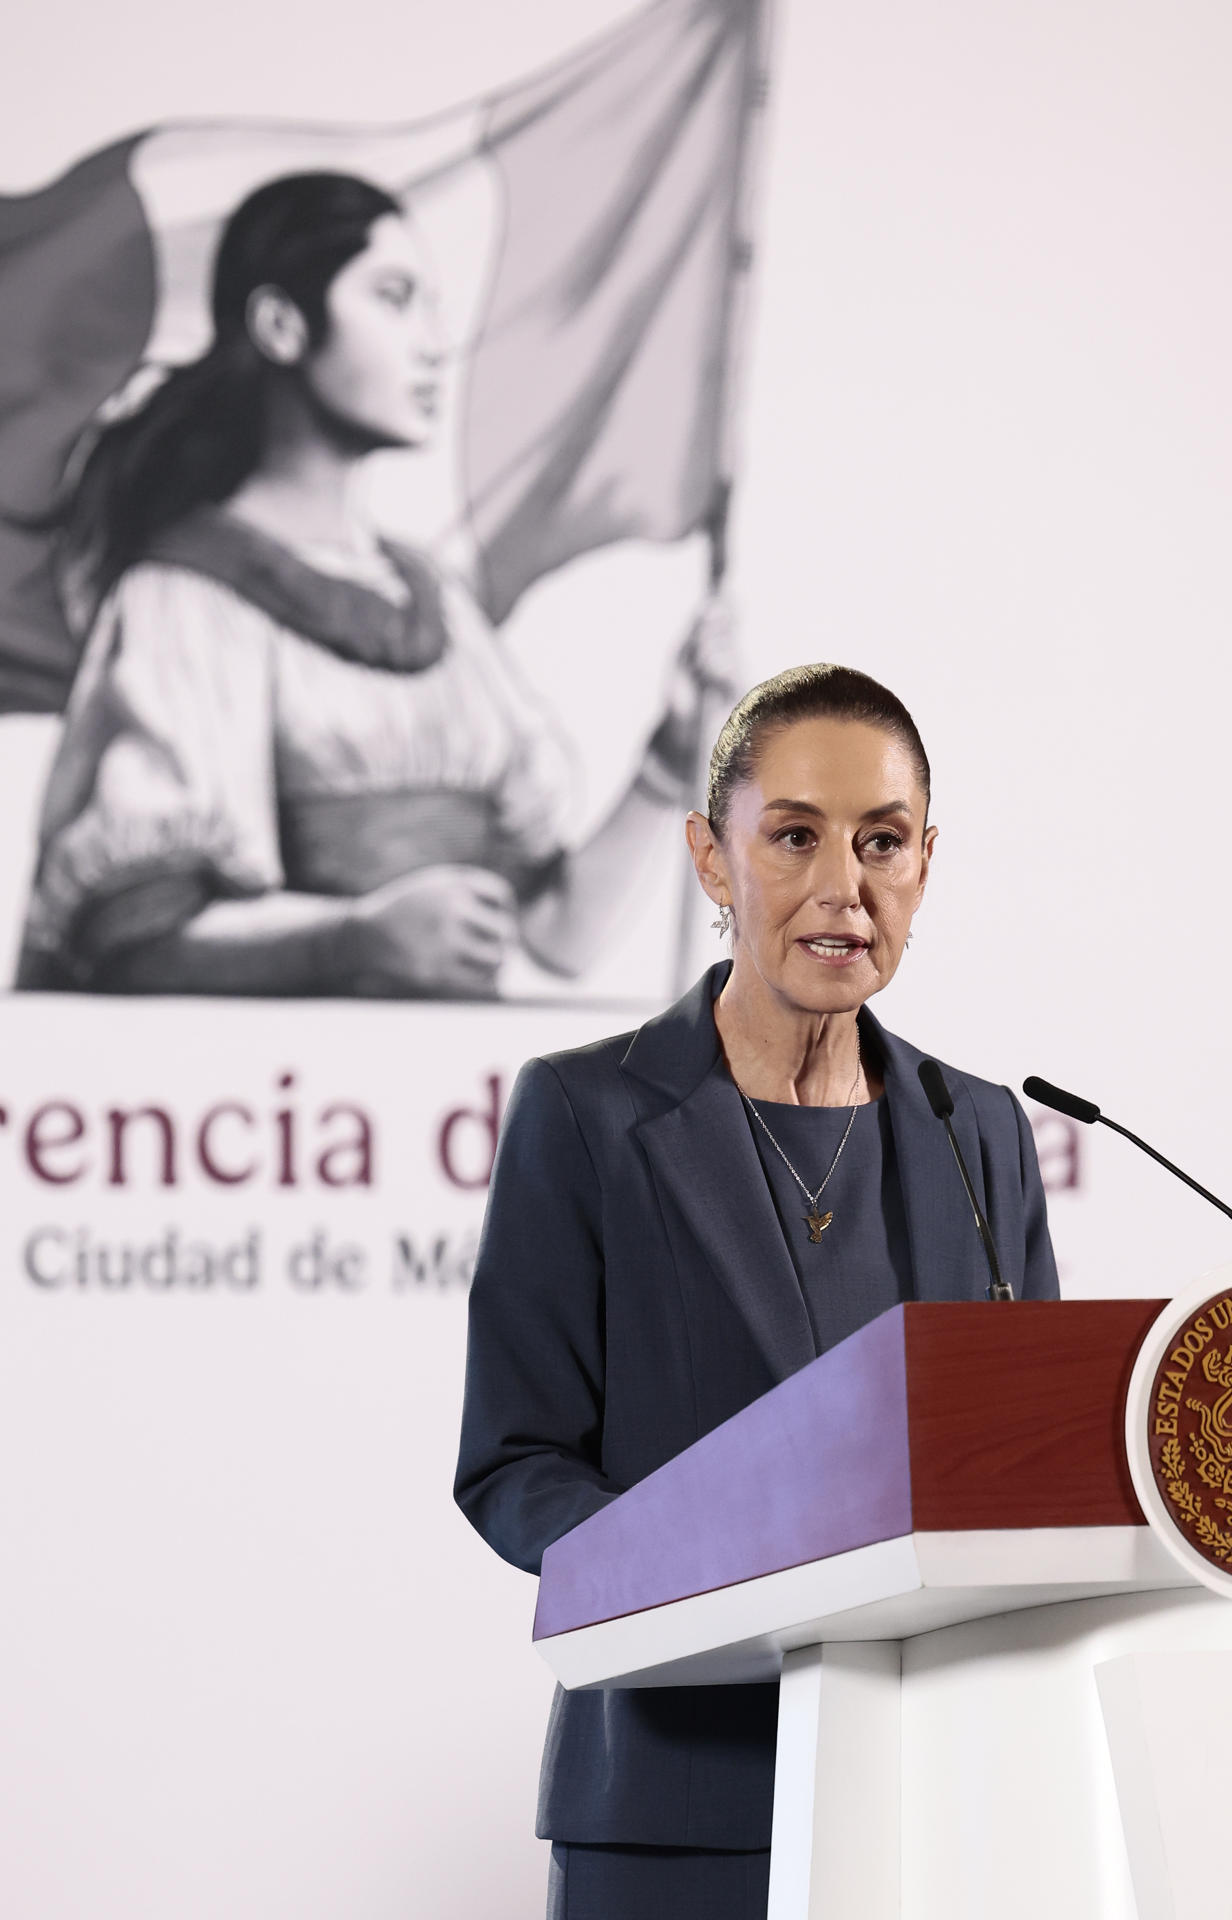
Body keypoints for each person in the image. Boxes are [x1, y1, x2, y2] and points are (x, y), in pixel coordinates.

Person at [454, 662, 1060, 1920]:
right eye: (793, 837)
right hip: (677, 1806)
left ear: (923, 866)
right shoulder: (585, 1115)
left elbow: (1033, 1473)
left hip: (939, 1797)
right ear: (711, 859)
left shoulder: (980, 1132)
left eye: (881, 843)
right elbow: (515, 1465)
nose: (844, 887)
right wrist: (703, 1569)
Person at [16, 170, 726, 995]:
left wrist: (670, 762)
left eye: (430, 304)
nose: (432, 342)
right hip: (276, 1111)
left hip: (439, 1108)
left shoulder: (440, 610)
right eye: (393, 298)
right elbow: (136, 944)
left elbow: (555, 938)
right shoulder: (183, 600)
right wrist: (351, 940)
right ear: (282, 325)